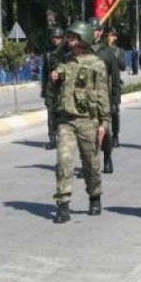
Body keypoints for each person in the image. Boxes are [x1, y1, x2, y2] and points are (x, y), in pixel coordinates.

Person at [49, 20, 110, 223]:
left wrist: (104, 123)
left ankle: (95, 195)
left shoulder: (96, 63)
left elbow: (102, 94)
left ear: (83, 39)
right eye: (68, 37)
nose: (69, 40)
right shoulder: (64, 61)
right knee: (64, 161)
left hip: (88, 121)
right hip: (66, 121)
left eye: (73, 37)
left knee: (90, 164)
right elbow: (57, 89)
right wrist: (55, 79)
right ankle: (63, 204)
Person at [88, 17, 120, 174]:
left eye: (94, 30)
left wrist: (115, 101)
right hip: (86, 99)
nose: (92, 33)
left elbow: (115, 79)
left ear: (100, 32)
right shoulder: (84, 51)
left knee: (105, 132)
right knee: (87, 133)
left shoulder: (107, 53)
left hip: (104, 99)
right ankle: (90, 164)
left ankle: (107, 158)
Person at [41, 28, 67, 150]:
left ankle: (63, 138)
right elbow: (45, 75)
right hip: (51, 88)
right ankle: (52, 139)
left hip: (62, 88)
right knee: (51, 114)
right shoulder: (48, 54)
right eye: (54, 38)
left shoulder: (66, 53)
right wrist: (44, 92)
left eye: (58, 38)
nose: (56, 40)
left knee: (62, 115)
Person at [104, 27, 127, 147]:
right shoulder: (101, 50)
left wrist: (114, 56)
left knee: (114, 111)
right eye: (107, 35)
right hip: (102, 84)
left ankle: (115, 135)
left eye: (112, 35)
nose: (109, 37)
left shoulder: (119, 51)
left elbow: (123, 66)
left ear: (115, 37)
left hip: (114, 83)